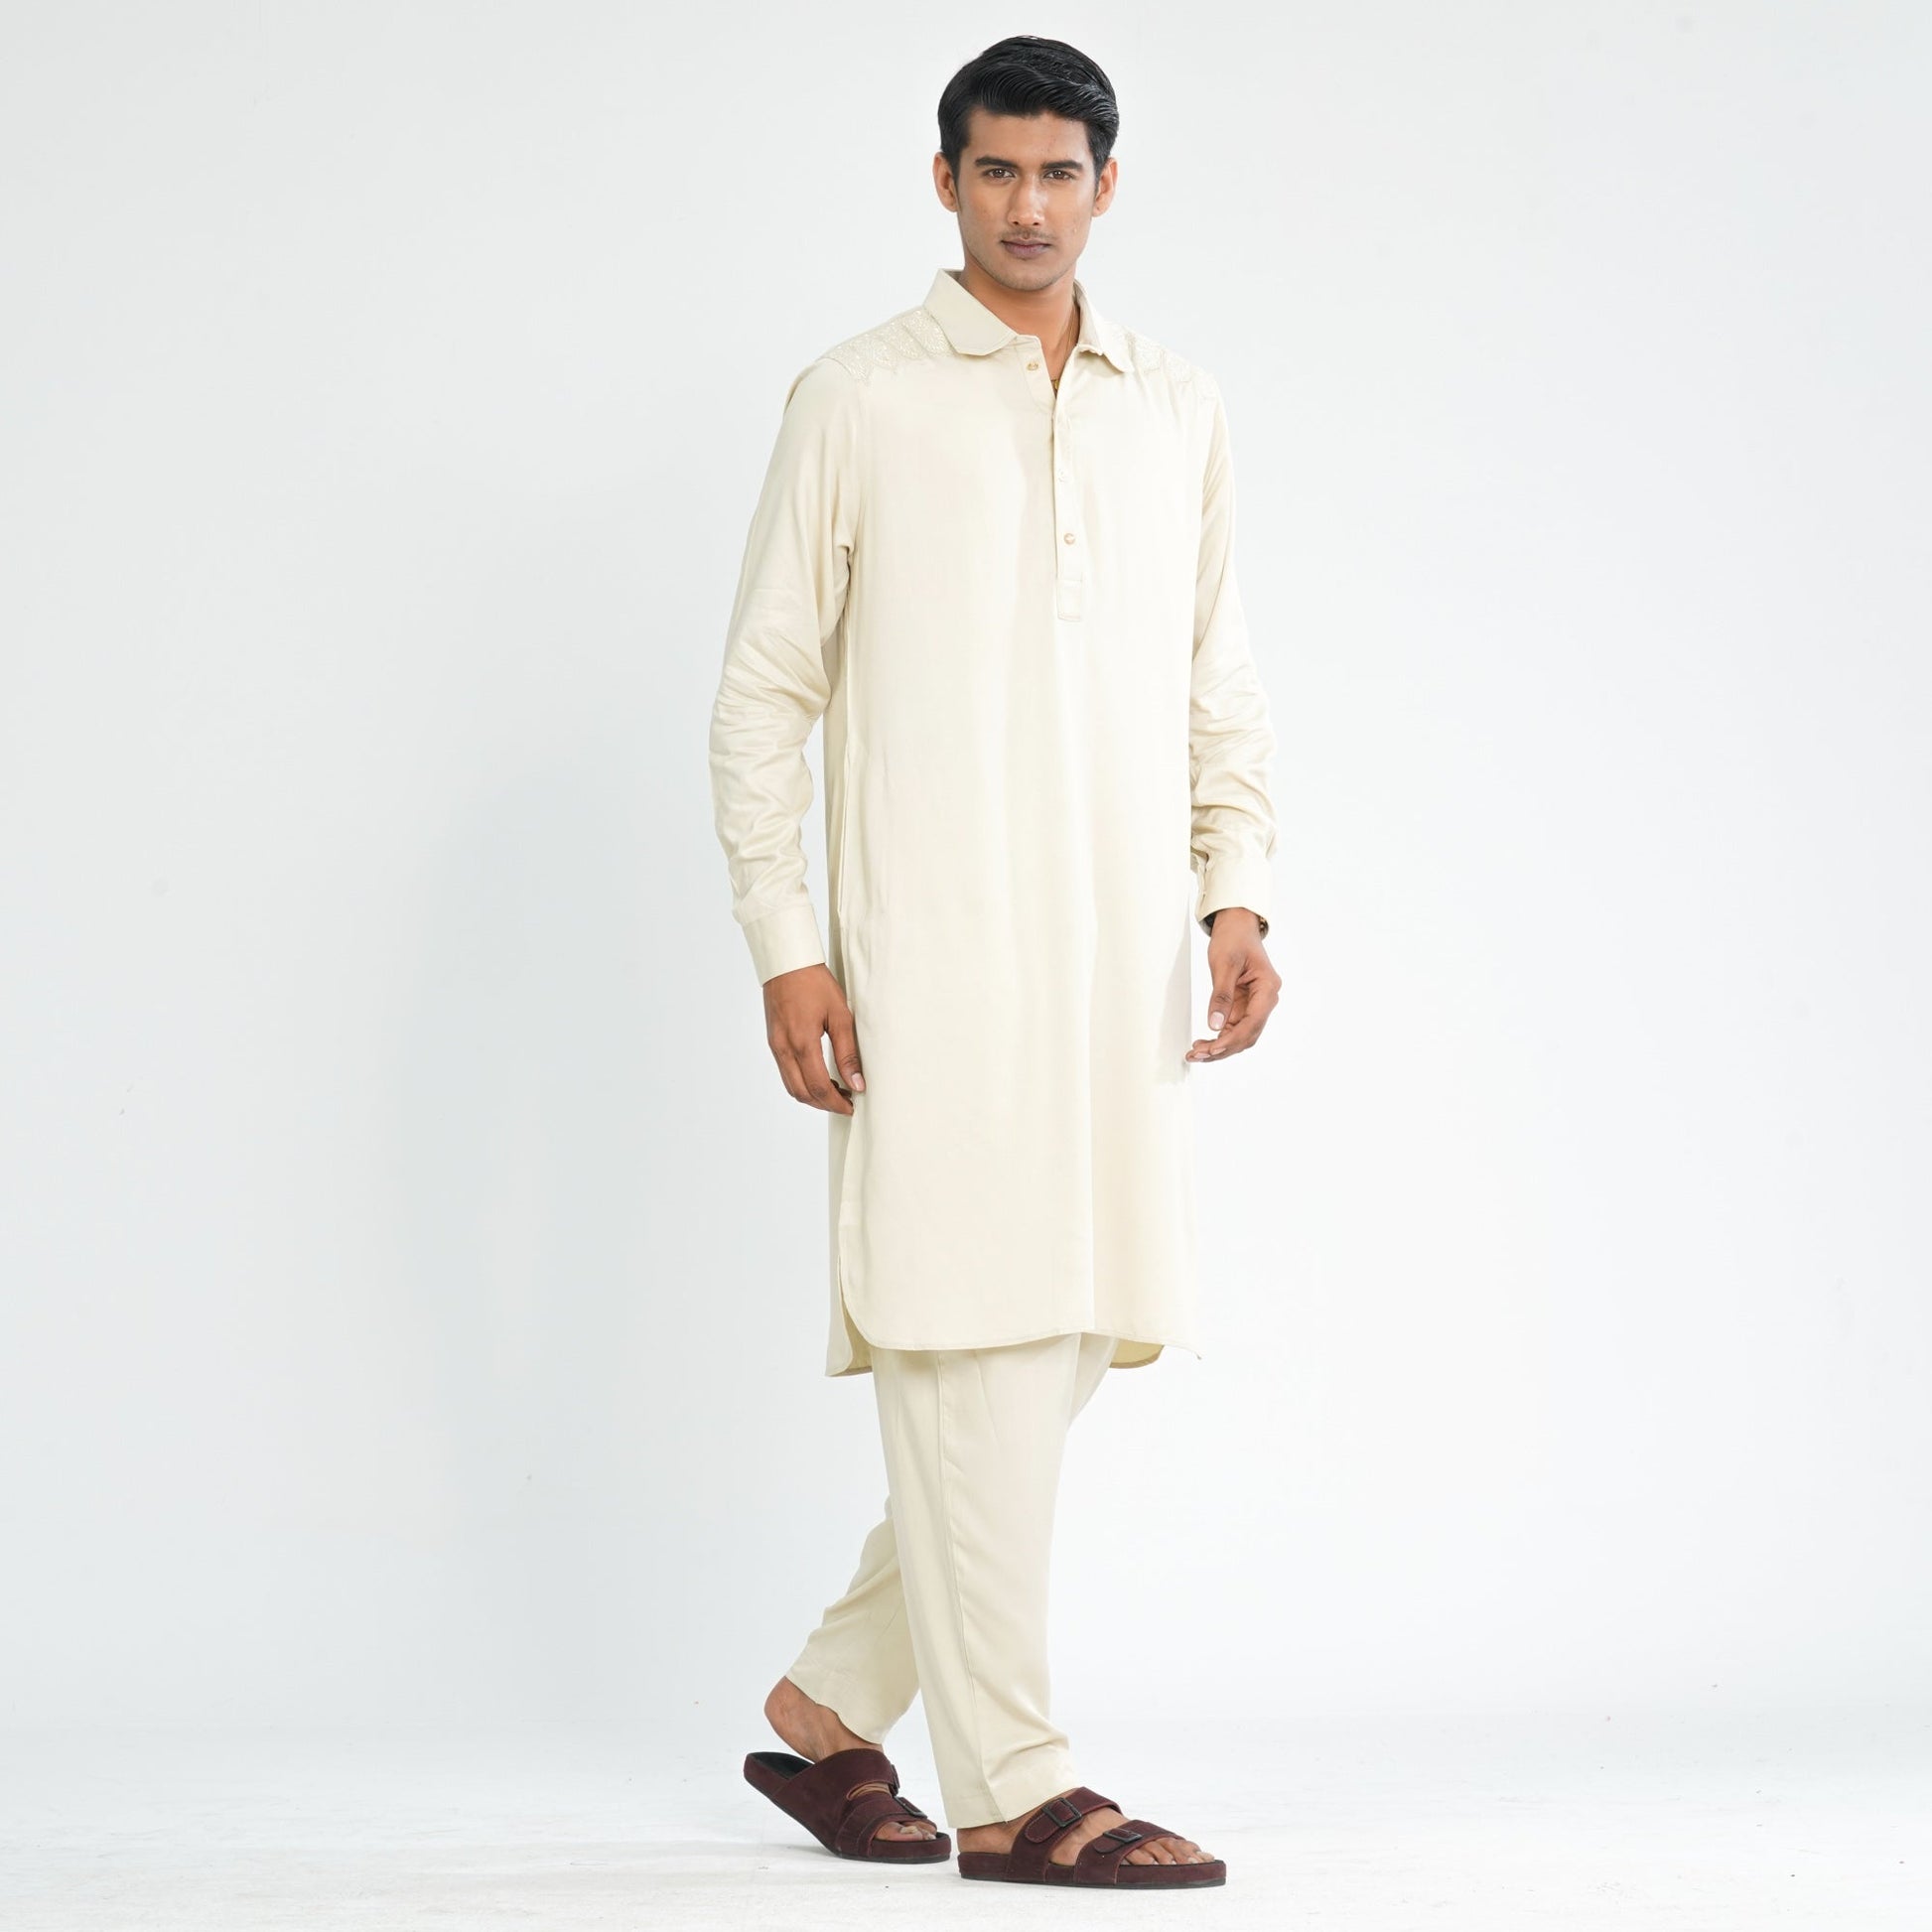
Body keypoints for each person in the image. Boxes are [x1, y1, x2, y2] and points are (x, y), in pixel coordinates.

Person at [709, 34, 1279, 1891]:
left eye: (1058, 173)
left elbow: (1214, 675)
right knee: (965, 1330)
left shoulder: (1170, 405)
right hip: (926, 964)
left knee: (1061, 1342)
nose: (1027, 205)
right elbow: (760, 696)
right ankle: (1013, 1785)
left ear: (1106, 186)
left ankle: (826, 1706)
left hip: (1120, 969)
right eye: (995, 170)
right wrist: (789, 946)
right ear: (943, 180)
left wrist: (1236, 891)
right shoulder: (858, 398)